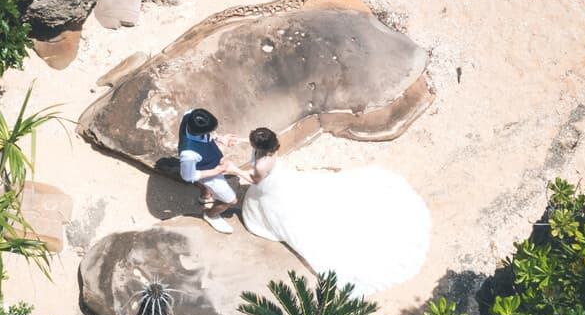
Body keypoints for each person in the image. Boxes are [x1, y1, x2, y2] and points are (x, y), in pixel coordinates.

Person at [239, 126, 430, 298]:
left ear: (259, 146)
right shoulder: (272, 151)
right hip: (282, 183)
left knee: (296, 225)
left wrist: (232, 169)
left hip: (271, 192)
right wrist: (235, 141)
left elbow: (255, 180)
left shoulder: (260, 166)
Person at [177, 107, 239, 234]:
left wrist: (219, 138)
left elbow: (207, 134)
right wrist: (216, 171)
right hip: (207, 170)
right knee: (231, 200)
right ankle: (211, 215)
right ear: (200, 133)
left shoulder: (190, 114)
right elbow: (188, 176)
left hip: (207, 157)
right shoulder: (189, 154)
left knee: (207, 188)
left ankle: (205, 195)